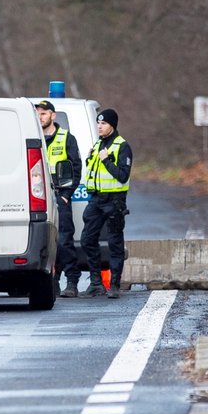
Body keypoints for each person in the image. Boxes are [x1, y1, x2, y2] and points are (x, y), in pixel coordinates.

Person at [81, 108, 132, 299]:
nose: (99, 127)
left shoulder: (122, 146)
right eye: (98, 123)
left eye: (103, 123)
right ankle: (96, 283)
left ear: (112, 125)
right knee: (87, 239)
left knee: (114, 243)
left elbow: (122, 175)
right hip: (96, 200)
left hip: (114, 201)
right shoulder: (97, 145)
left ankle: (114, 285)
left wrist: (107, 160)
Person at [35, 100, 83, 297]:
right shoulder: (31, 136)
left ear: (53, 115)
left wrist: (66, 195)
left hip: (58, 195)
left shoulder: (66, 138)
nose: (40, 117)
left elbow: (75, 168)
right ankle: (51, 282)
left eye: (44, 113)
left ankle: (71, 282)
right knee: (42, 241)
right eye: (38, 114)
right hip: (38, 197)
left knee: (64, 241)